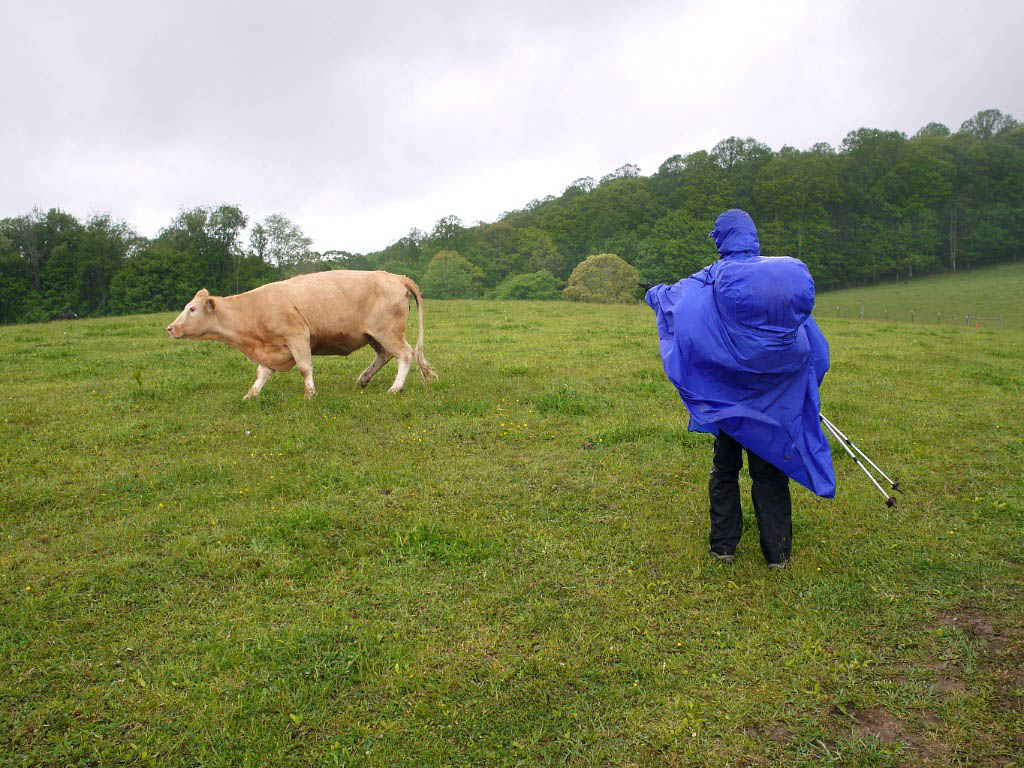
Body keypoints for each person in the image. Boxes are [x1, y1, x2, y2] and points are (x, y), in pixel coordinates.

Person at [644, 209, 834, 568]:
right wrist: (801, 388)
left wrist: (654, 294)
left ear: (723, 238)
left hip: (729, 402)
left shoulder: (712, 278)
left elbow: (675, 301)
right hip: (774, 404)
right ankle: (777, 553)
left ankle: (724, 547)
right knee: (770, 470)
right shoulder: (781, 285)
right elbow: (815, 347)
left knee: (725, 469)